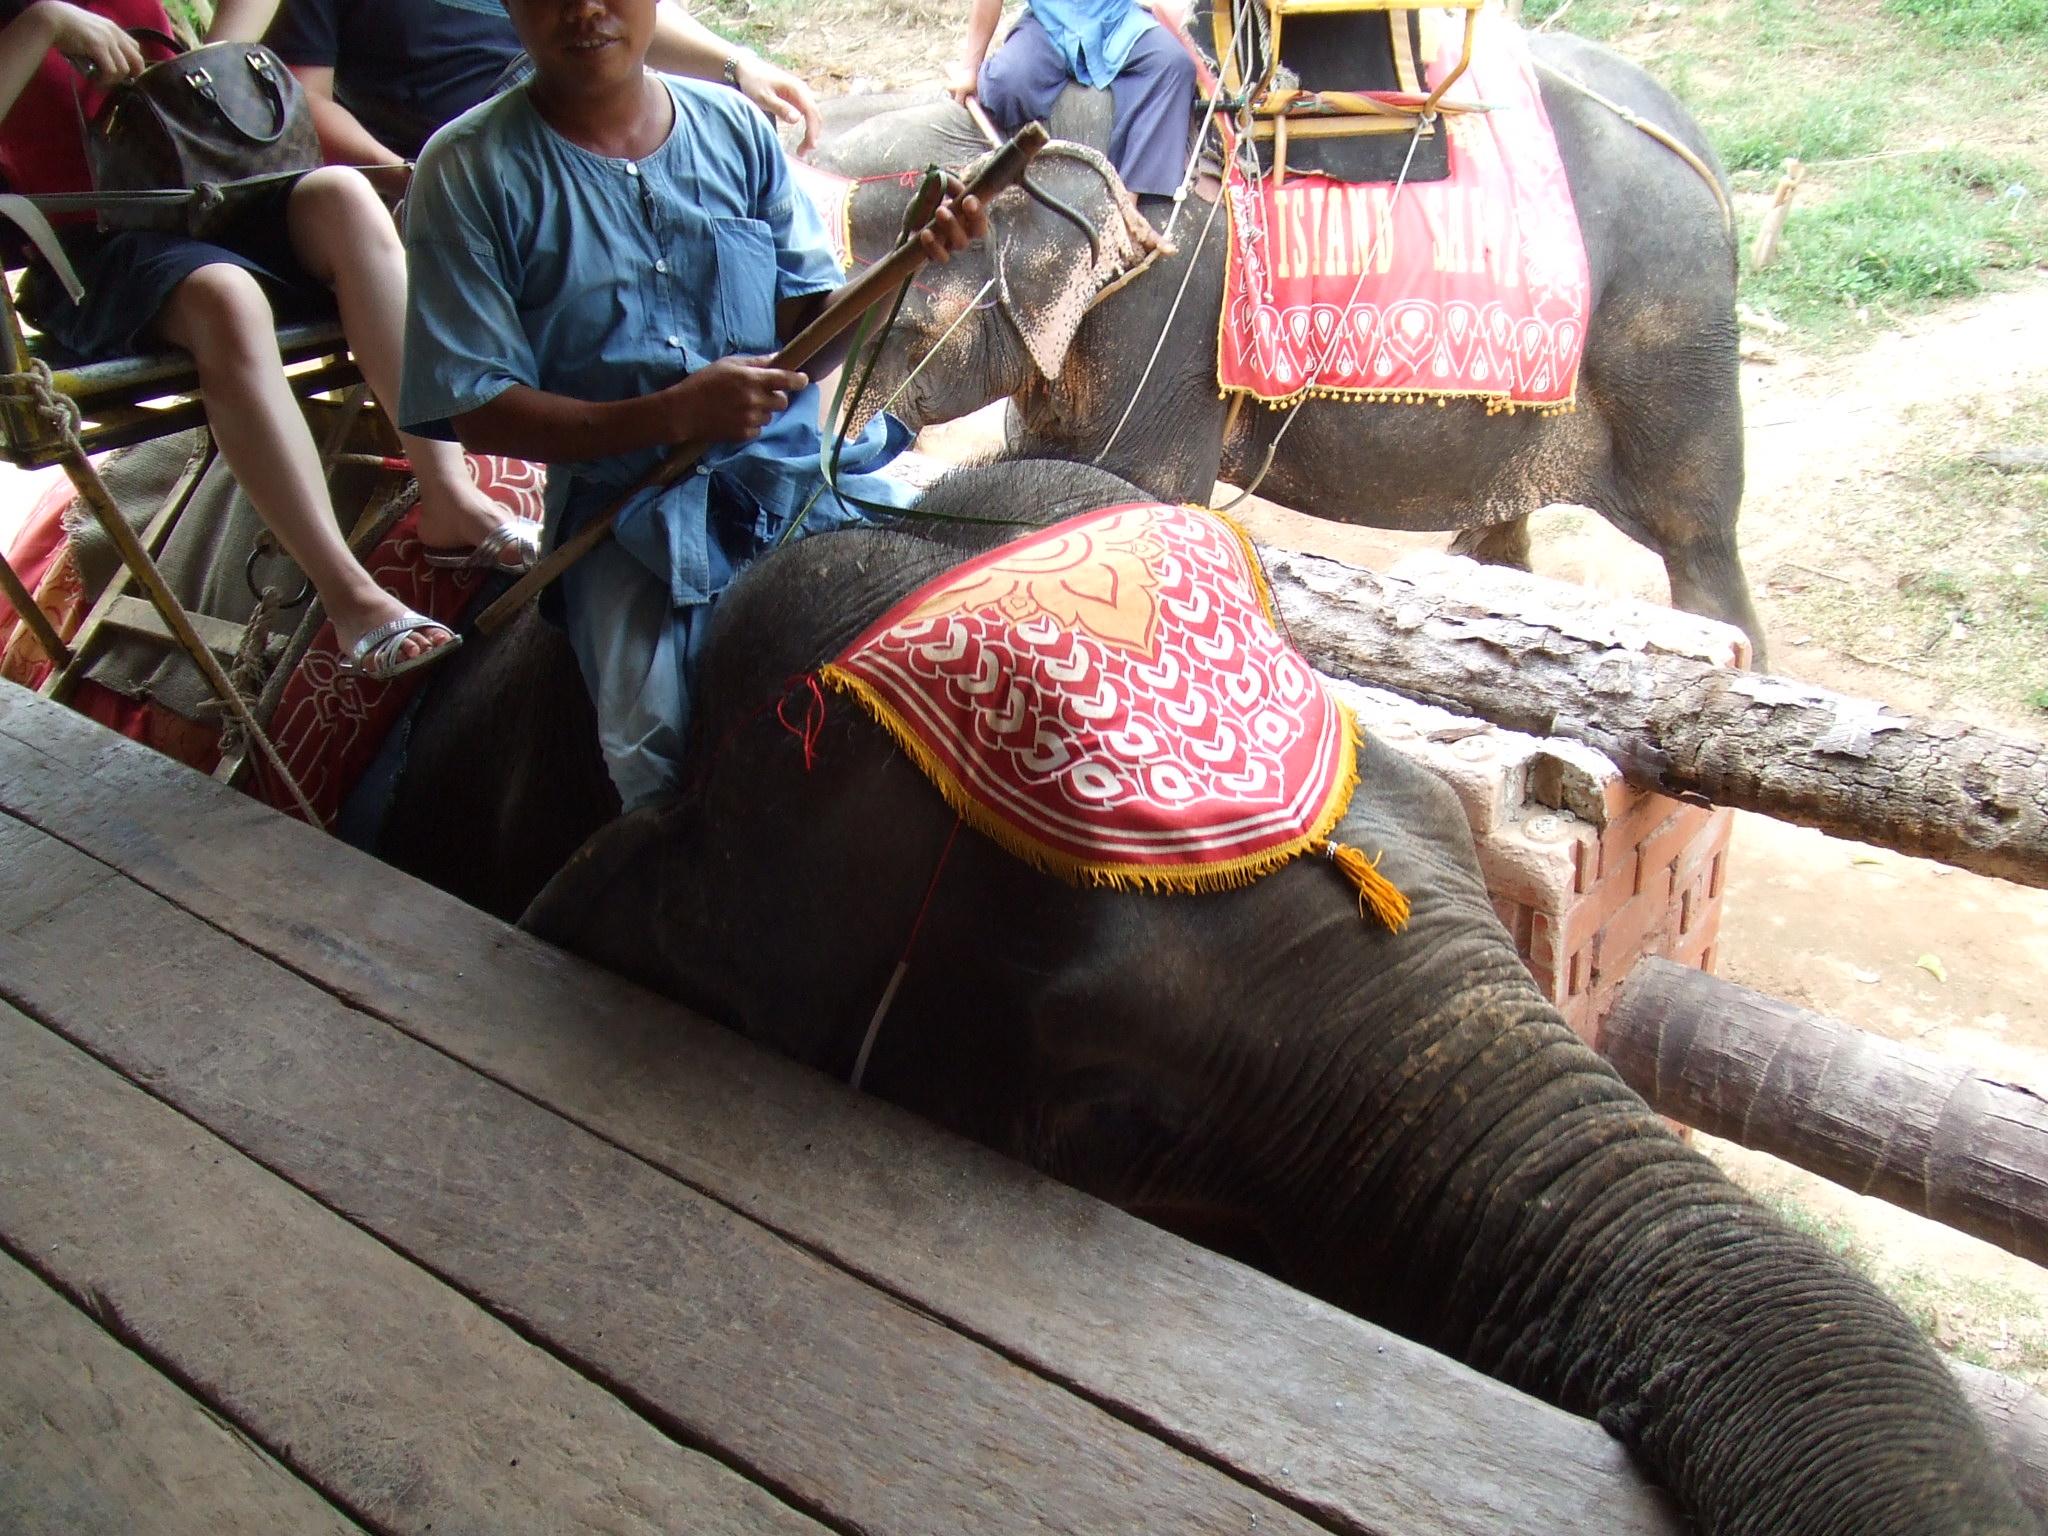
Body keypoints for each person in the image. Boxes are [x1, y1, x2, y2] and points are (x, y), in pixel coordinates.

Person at [398, 0, 983, 810]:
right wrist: (673, 416)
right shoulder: (467, 170)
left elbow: (806, 337)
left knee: (970, 607)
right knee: (655, 753)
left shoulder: (736, 129)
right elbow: (478, 408)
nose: (585, 10)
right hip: (630, 516)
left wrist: (904, 263)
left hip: (793, 475)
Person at [0, 0, 535, 679]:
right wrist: (43, 26)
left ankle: (450, 498)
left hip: (210, 198)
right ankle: (349, 595)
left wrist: (218, 51)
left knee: (343, 195)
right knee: (227, 297)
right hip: (94, 246)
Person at [208, 0, 823, 170]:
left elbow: (611, 14)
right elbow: (302, 101)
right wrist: (402, 174)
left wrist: (735, 64)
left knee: (769, 173)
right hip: (479, 148)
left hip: (603, 102)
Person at [949, 0, 1194, 197]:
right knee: (1005, 84)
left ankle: (1128, 202)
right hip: (1047, 23)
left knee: (1174, 64)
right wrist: (970, 68)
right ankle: (1009, 178)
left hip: (1116, 19)